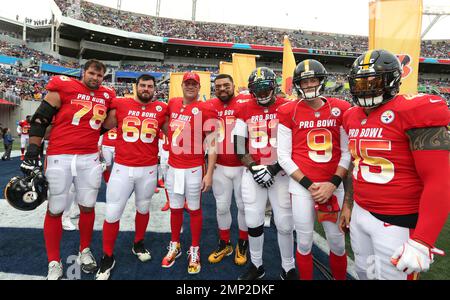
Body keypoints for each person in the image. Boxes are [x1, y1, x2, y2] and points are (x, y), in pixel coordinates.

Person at [339, 49, 449, 280]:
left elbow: (440, 178)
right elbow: (355, 165)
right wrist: (348, 204)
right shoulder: (351, 116)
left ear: (392, 80)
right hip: (360, 212)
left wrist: (422, 240)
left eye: (373, 81)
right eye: (359, 83)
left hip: (396, 221)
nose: (365, 89)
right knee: (363, 273)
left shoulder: (414, 109)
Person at [21, 60, 116, 280]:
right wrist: (33, 151)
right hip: (59, 156)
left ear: (104, 78)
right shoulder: (64, 85)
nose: (95, 78)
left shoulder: (107, 95)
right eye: (92, 73)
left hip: (88, 157)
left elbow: (107, 124)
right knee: (55, 208)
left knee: (87, 207)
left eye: (100, 75)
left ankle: (84, 250)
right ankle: (54, 261)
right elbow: (40, 119)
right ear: (84, 72)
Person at [277, 59, 351, 280]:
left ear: (321, 81)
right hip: (302, 187)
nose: (309, 85)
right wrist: (310, 186)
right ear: (298, 84)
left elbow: (347, 152)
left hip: (333, 186)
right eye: (304, 81)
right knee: (305, 242)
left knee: (337, 243)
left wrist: (333, 184)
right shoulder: (288, 110)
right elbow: (283, 156)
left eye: (313, 80)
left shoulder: (341, 109)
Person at [95, 74, 168, 280]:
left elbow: (172, 133)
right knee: (112, 213)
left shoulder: (161, 109)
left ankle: (138, 243)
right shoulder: (120, 103)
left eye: (150, 86)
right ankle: (107, 256)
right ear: (136, 87)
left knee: (143, 208)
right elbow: (101, 125)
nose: (146, 89)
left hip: (148, 169)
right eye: (143, 85)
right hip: (122, 168)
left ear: (155, 89)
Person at [234, 67, 296, 280]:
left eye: (265, 87)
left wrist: (273, 168)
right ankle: (256, 265)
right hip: (254, 173)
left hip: (281, 174)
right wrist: (255, 168)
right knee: (253, 221)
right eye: (257, 89)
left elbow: (295, 145)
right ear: (251, 90)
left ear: (274, 86)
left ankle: (288, 267)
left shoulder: (288, 107)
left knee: (286, 224)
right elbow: (239, 145)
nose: (262, 93)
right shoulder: (243, 109)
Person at [162, 71, 218, 275]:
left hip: (194, 168)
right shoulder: (173, 103)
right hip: (173, 166)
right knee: (175, 208)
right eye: (187, 83)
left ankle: (194, 248)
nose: (190, 86)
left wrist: (209, 173)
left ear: (199, 87)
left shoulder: (205, 108)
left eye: (194, 83)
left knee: (194, 209)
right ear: (182, 85)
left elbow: (212, 144)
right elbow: (167, 127)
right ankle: (175, 243)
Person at [207, 74, 249, 266]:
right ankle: (225, 243)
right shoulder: (209, 105)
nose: (222, 89)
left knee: (242, 206)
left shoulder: (246, 100)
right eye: (218, 86)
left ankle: (242, 242)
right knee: (222, 207)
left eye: (226, 85)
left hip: (243, 167)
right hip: (220, 166)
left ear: (234, 85)